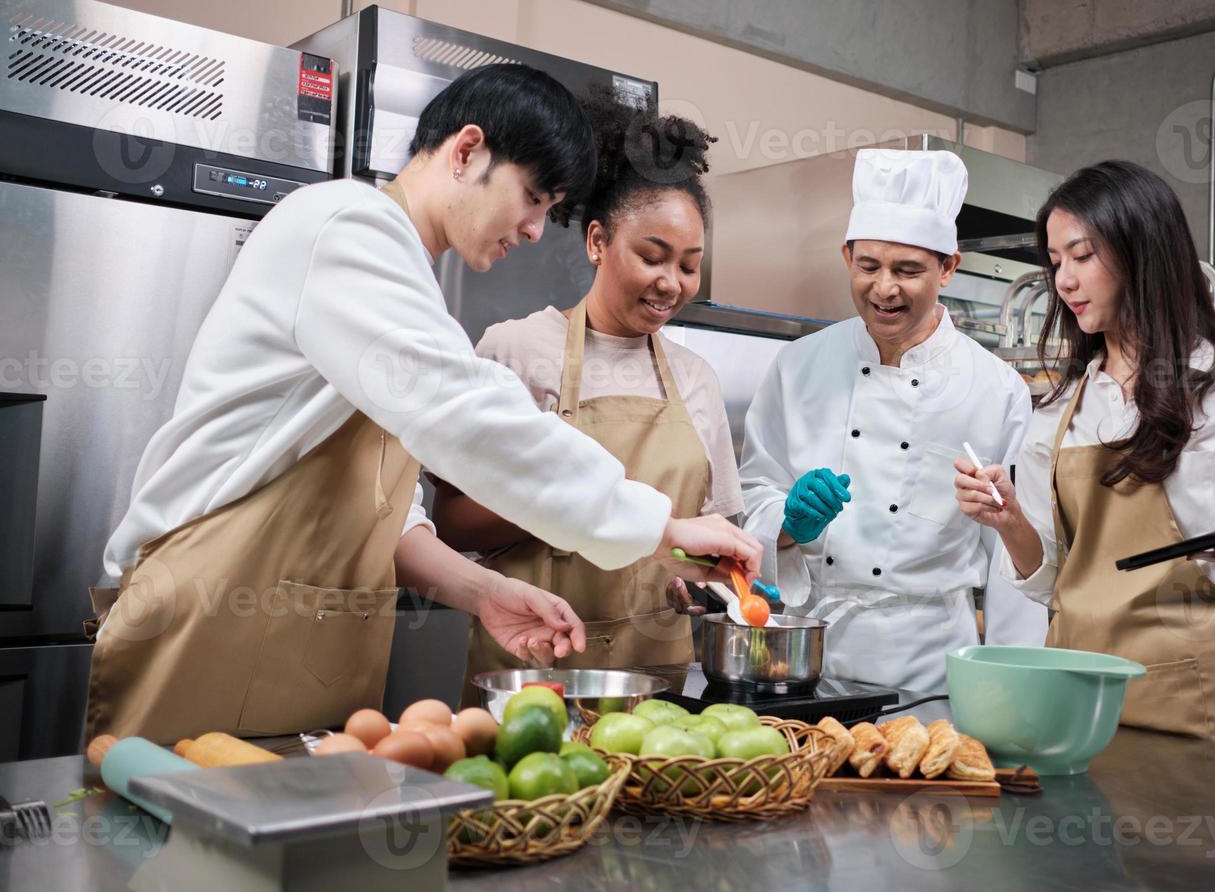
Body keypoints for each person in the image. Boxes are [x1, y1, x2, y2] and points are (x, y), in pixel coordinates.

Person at [86, 64, 759, 744]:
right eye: (532, 197)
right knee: (165, 848)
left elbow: (387, 513)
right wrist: (664, 526)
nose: (532, 230)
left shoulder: (406, 283)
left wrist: (483, 592)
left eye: (549, 211)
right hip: (207, 626)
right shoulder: (344, 227)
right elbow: (467, 415)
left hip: (295, 647)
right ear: (466, 152)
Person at [956, 159, 1215, 749]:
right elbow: (1052, 579)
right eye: (1055, 263)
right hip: (1073, 701)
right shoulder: (1058, 412)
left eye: (1082, 256)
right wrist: (1009, 521)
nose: (1064, 281)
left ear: (1143, 253)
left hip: (1195, 705)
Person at [432, 97, 741, 696]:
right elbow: (450, 525)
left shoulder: (697, 378)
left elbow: (712, 540)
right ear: (597, 241)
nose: (670, 283)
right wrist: (572, 490)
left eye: (688, 266)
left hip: (654, 686)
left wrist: (695, 583)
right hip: (531, 672)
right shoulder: (516, 349)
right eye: (651, 256)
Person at [740, 149, 1048, 699]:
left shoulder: (995, 388)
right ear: (847, 257)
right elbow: (752, 492)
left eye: (908, 271)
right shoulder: (799, 365)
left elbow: (1010, 552)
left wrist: (1009, 693)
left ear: (948, 268)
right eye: (869, 267)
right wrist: (787, 524)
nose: (885, 289)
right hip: (808, 656)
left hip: (930, 669)